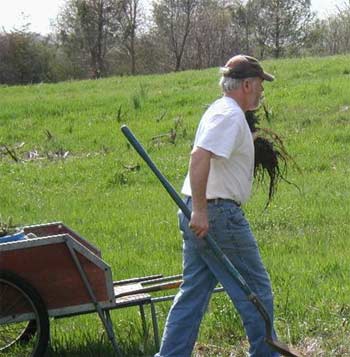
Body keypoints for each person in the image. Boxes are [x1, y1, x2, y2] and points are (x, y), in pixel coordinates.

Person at [155, 55, 279, 357]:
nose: (262, 91)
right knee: (257, 294)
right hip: (217, 214)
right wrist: (200, 211)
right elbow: (199, 157)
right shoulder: (229, 116)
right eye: (260, 84)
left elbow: (214, 156)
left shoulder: (224, 111)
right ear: (247, 84)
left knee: (192, 296)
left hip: (201, 212)